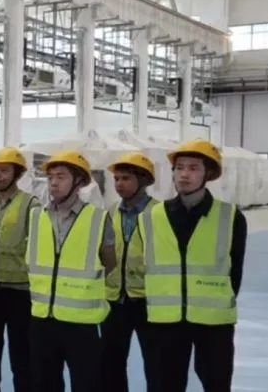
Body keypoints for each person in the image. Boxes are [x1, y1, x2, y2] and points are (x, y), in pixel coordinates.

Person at [138, 140, 247, 392]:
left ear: (208, 173)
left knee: (217, 383)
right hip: (166, 320)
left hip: (214, 321)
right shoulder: (152, 217)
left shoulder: (230, 216)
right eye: (179, 168)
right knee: (164, 385)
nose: (184, 174)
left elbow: (235, 272)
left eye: (193, 168)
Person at [27, 151, 117, 392]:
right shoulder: (36, 217)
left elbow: (110, 262)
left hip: (81, 324)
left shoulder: (98, 219)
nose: (53, 183)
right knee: (43, 384)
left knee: (86, 384)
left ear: (79, 182)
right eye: (50, 177)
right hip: (42, 320)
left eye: (61, 177)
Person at [0, 147, 39, 392]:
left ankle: (24, 386)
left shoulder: (30, 204)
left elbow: (37, 246)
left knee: (21, 346)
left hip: (19, 289)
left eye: (4, 171)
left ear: (17, 174)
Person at [101, 152, 159, 392]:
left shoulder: (160, 213)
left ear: (143, 180)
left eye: (126, 178)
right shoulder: (110, 212)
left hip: (149, 301)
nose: (119, 184)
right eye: (116, 179)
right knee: (111, 366)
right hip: (114, 300)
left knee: (157, 366)